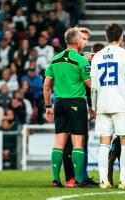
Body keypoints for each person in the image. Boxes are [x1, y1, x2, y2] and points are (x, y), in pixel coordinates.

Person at [90, 23, 125, 189]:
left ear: (107, 37)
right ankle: (123, 181)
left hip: (102, 104)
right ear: (121, 36)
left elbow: (93, 86)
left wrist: (94, 107)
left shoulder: (97, 56)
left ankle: (103, 181)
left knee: (104, 143)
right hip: (121, 104)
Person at [43, 28, 91, 187]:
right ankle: (78, 180)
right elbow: (90, 84)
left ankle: (56, 179)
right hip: (76, 102)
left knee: (59, 143)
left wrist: (48, 106)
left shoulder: (55, 59)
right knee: (78, 143)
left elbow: (46, 86)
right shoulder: (81, 60)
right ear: (77, 41)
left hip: (59, 103)